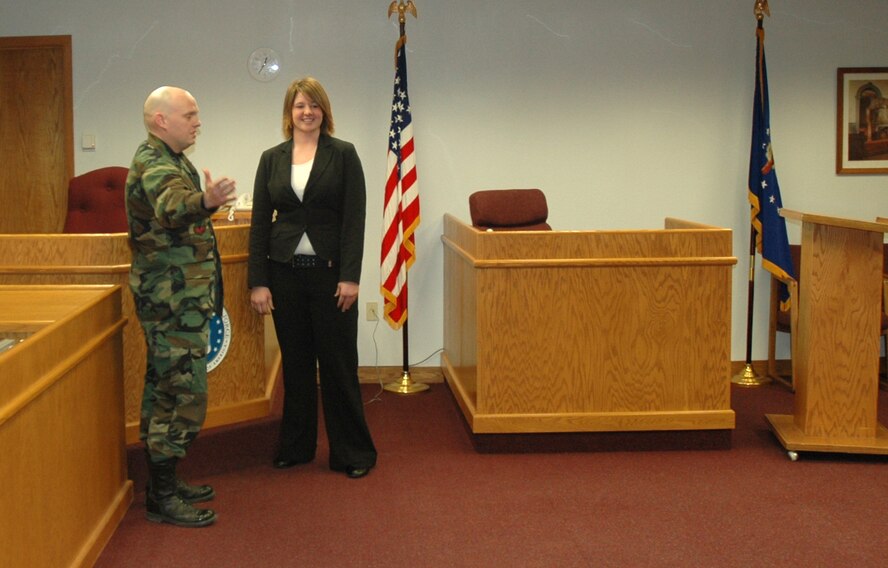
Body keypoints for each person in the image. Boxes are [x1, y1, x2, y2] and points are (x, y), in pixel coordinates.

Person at [248, 76, 377, 479]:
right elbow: (258, 225)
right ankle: (296, 446)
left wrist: (351, 276)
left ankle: (352, 453)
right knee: (297, 367)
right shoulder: (272, 158)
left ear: (325, 112)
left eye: (314, 105)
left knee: (338, 366)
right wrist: (259, 280)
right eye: (300, 105)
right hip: (284, 275)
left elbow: (354, 220)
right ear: (289, 113)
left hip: (330, 278)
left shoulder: (343, 154)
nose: (307, 112)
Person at [126, 85, 237, 527]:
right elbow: (173, 207)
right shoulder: (154, 163)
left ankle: (163, 484)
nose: (197, 121)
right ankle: (164, 495)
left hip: (176, 299)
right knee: (185, 395)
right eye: (189, 114)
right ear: (161, 121)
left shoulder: (172, 159)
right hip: (170, 303)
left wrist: (203, 204)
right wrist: (206, 201)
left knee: (163, 390)